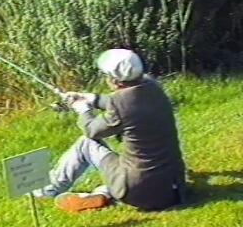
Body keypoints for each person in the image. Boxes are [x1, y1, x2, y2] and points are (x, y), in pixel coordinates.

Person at [33, 48, 186, 212]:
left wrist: (83, 110)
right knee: (134, 170)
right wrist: (92, 98)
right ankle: (103, 193)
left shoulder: (121, 103)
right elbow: (126, 105)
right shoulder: (154, 87)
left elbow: (92, 130)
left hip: (138, 190)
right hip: (173, 188)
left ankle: (47, 190)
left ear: (115, 80)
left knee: (86, 144)